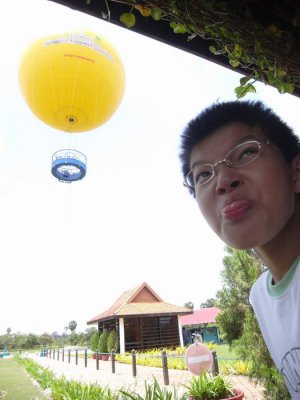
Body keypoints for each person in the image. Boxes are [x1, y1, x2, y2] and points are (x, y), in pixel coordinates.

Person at [179, 100, 300, 399]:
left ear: (296, 171)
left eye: (246, 152)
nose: (223, 180)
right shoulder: (260, 296)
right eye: (203, 175)